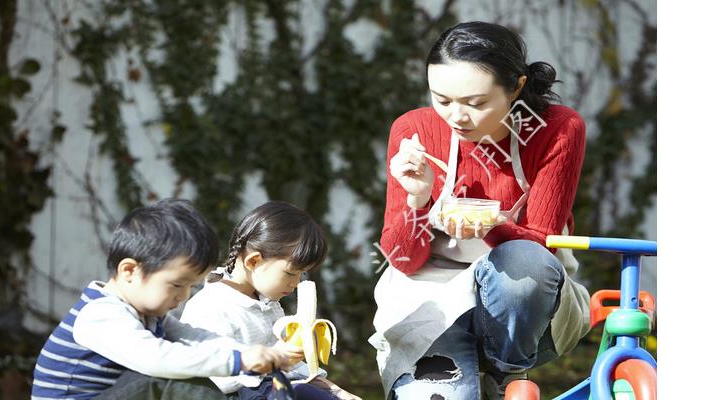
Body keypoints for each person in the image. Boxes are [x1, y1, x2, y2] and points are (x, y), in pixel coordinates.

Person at [368, 21, 592, 399]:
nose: (456, 117)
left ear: (517, 87)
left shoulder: (554, 128)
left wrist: (487, 225)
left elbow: (542, 246)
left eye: (475, 103)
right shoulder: (413, 130)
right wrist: (418, 198)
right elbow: (402, 260)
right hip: (427, 297)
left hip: (518, 304)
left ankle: (505, 372)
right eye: (442, 99)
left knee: (524, 265)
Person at [30, 198, 289, 400]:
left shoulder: (149, 315)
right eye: (177, 284)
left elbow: (195, 337)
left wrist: (251, 352)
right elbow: (157, 358)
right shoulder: (100, 315)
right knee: (168, 381)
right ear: (130, 270)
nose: (183, 296)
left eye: (190, 286)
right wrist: (236, 362)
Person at [181, 201, 362, 400]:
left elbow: (290, 367)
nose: (295, 283)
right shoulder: (211, 307)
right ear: (254, 261)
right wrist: (270, 359)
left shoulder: (269, 304)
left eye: (301, 274)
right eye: (290, 273)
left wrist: (333, 390)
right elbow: (212, 380)